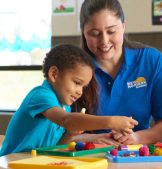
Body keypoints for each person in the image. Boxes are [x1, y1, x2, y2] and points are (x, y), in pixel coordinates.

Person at [71, 0, 162, 145]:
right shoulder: (72, 70)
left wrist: (136, 138)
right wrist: (96, 138)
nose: (104, 41)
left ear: (123, 26)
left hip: (138, 156)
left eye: (111, 31)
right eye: (94, 33)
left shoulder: (151, 60)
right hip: (89, 159)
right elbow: (58, 135)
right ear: (83, 32)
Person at [0, 44, 138, 156]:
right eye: (77, 83)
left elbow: (57, 145)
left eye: (83, 87)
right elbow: (67, 120)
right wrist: (111, 121)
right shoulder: (41, 96)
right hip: (11, 163)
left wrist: (75, 135)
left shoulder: (65, 107)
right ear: (54, 74)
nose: (80, 91)